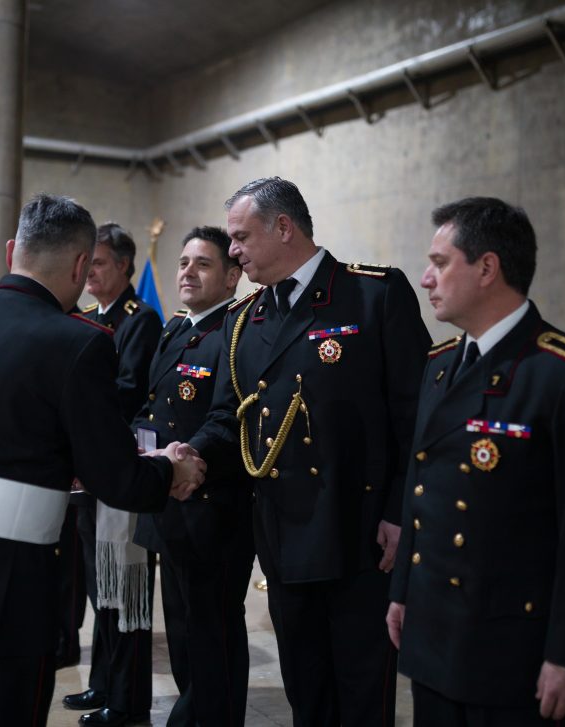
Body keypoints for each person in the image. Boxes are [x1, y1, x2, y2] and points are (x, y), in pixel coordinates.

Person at [0, 192, 206, 724]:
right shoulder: (78, 342)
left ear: (12, 251)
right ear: (80, 265)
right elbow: (114, 478)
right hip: (1, 584)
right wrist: (171, 468)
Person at [186, 177, 431, 727]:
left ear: (283, 227)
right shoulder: (244, 319)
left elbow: (415, 417)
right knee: (306, 688)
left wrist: (400, 512)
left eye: (241, 237)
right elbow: (228, 417)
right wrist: (190, 454)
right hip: (283, 534)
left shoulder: (373, 294)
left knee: (362, 694)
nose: (233, 251)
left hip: (361, 533)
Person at [386, 197, 565, 726]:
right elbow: (420, 488)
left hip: (515, 649)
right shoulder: (439, 366)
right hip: (435, 635)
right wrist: (403, 592)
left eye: (440, 263)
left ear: (487, 268)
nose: (426, 279)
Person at [131, 226, 255, 727]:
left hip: (213, 510)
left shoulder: (238, 333)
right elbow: (151, 407)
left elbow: (229, 417)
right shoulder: (176, 329)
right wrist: (139, 448)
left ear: (231, 277)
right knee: (182, 633)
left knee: (212, 634)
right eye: (184, 262)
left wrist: (186, 457)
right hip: (170, 503)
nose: (187, 272)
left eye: (203, 264)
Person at [64, 223, 164, 726]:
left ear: (124, 266)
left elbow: (126, 390)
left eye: (99, 262)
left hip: (119, 469)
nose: (90, 272)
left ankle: (127, 698)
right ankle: (103, 682)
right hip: (88, 474)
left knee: (125, 591)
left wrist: (84, 431)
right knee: (99, 587)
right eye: (88, 262)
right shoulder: (86, 318)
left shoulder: (138, 319)